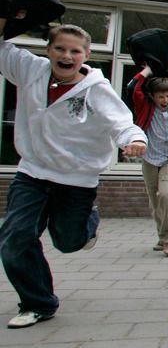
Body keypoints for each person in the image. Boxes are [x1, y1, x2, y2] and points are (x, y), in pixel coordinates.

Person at [0, 19, 147, 329]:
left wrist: (133, 141)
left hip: (76, 180)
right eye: (60, 49)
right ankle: (37, 302)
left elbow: (120, 121)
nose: (67, 57)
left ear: (86, 54)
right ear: (49, 49)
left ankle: (88, 222)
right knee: (15, 239)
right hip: (32, 174)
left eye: (75, 51)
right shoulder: (30, 70)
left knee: (68, 242)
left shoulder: (96, 89)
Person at [129, 64, 168, 257]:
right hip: (150, 158)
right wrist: (148, 70)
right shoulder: (145, 106)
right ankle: (162, 236)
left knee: (167, 195)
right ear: (153, 97)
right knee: (155, 201)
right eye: (161, 96)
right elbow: (133, 87)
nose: (165, 100)